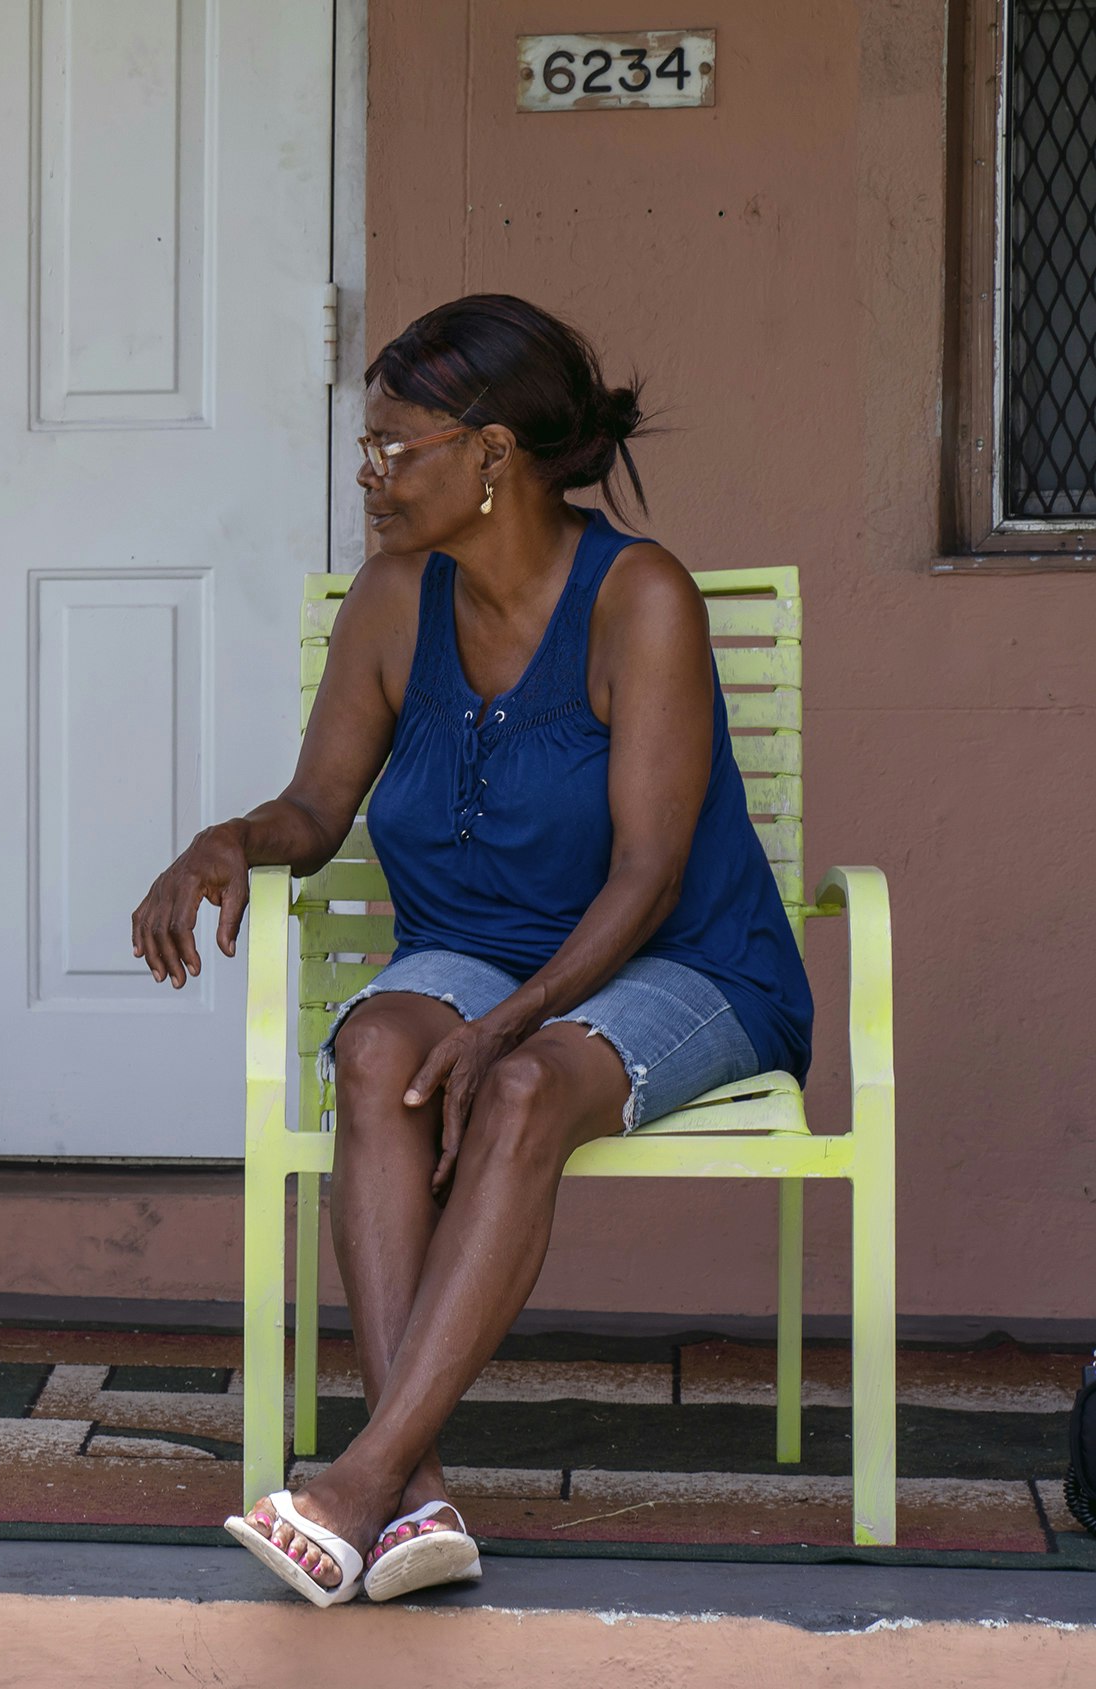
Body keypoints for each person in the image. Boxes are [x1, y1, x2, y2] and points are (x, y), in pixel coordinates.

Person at [129, 295, 812, 1603]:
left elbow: (651, 873)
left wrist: (514, 1022)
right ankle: (417, 1494)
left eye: (400, 446)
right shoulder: (395, 600)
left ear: (495, 456)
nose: (371, 474)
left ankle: (356, 1482)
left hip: (689, 958)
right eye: (367, 446)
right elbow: (317, 809)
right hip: (476, 945)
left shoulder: (639, 597)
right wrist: (226, 838)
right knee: (382, 1045)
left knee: (518, 1086)